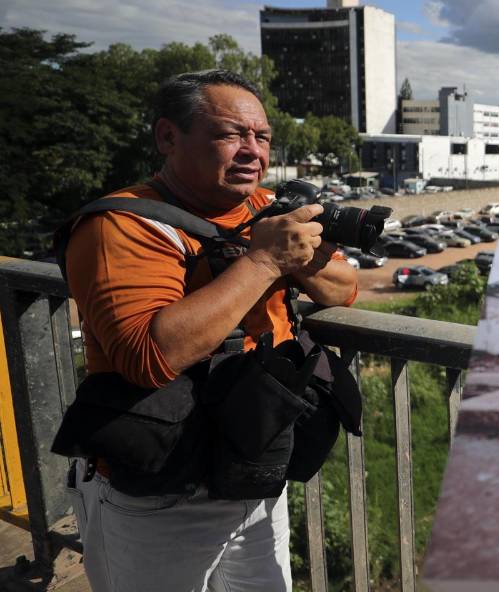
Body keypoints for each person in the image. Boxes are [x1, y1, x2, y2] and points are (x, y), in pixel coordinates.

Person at [63, 69, 358, 592]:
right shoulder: (123, 225)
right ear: (168, 136)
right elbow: (148, 355)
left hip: (253, 470)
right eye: (229, 134)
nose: (252, 151)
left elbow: (344, 289)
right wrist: (265, 261)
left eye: (261, 137)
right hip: (160, 493)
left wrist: (292, 255)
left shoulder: (267, 209)